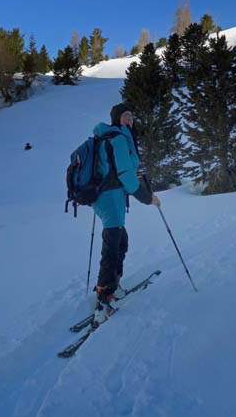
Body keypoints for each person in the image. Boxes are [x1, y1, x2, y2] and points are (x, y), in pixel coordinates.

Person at [92, 103, 160, 323]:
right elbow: (124, 174)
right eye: (125, 115)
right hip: (110, 197)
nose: (130, 118)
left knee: (121, 241)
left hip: (107, 196)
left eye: (132, 115)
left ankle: (113, 285)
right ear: (116, 119)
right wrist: (147, 198)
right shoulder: (118, 139)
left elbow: (120, 168)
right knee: (113, 245)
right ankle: (103, 301)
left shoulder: (112, 137)